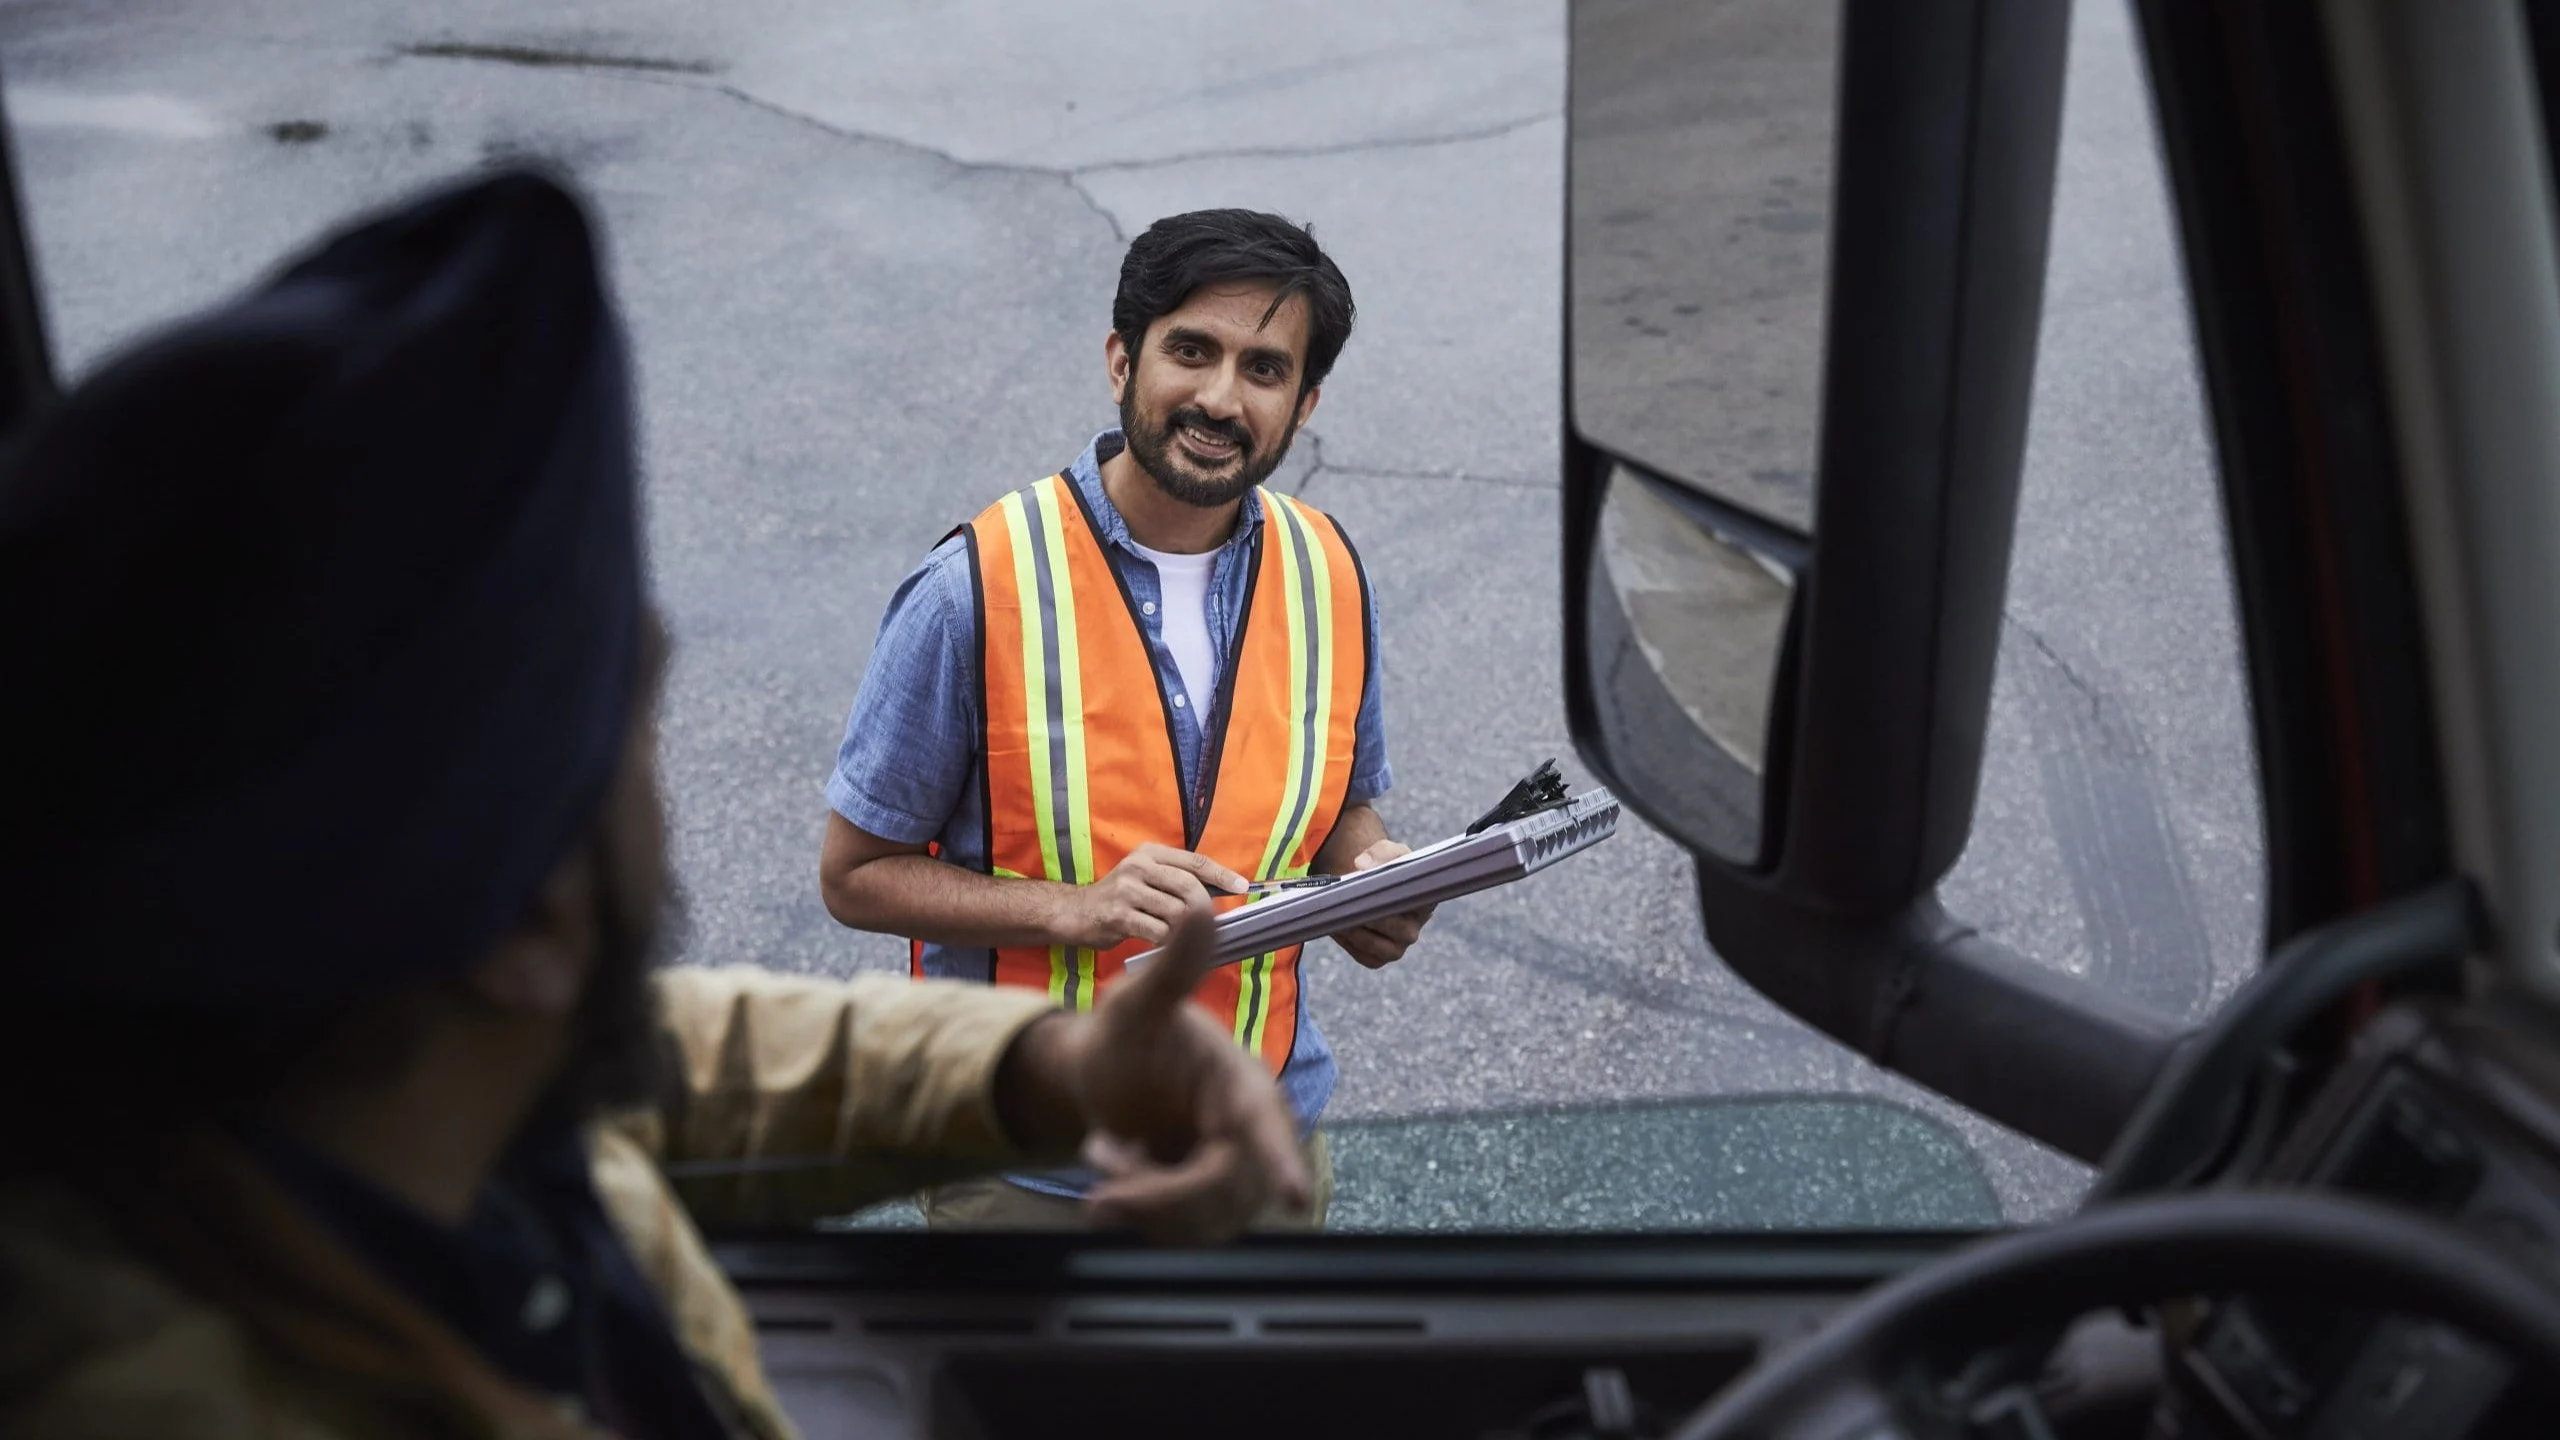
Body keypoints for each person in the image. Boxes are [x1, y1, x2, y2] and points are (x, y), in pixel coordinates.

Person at [0, 172, 1306, 1439]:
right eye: (633, 725)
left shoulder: (420, 1091)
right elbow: (831, 898)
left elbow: (706, 1064)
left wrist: (1050, 1066)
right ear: (532, 934)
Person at [818, 208, 1437, 1229]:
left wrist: (1372, 876)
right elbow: (853, 875)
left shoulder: (1327, 569)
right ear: (1121, 359)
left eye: (1264, 369)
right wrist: (1073, 909)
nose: (1218, 398)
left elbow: (1335, 811)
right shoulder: (976, 586)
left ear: (1305, 401)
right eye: (1189, 351)